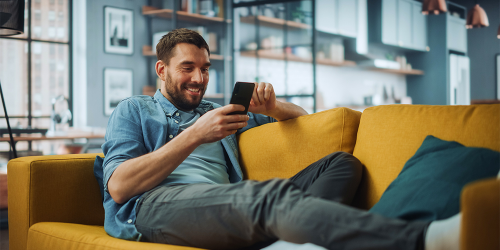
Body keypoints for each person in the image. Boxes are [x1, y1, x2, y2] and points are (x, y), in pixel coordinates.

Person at [95, 28, 460, 250]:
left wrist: (274, 107)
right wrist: (195, 135)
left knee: (342, 163)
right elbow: (120, 187)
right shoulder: (135, 110)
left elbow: (305, 121)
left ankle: (294, 241)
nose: (199, 77)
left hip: (221, 203)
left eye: (205, 68)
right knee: (266, 196)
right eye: (187, 68)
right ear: (162, 70)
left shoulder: (220, 110)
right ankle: (422, 240)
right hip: (155, 207)